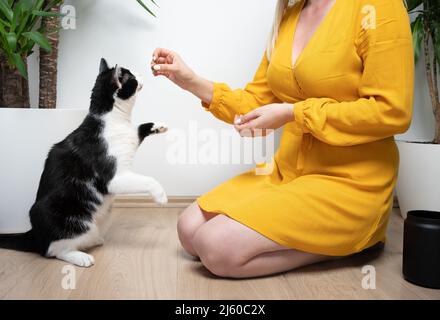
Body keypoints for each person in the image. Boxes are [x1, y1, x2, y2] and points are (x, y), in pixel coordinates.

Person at [150, 0, 414, 278]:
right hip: (288, 174)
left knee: (215, 247)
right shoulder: (290, 15)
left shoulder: (378, 7)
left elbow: (391, 112)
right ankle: (327, 239)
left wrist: (295, 113)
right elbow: (256, 103)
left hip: (352, 182)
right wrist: (190, 80)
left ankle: (357, 239)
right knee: (189, 230)